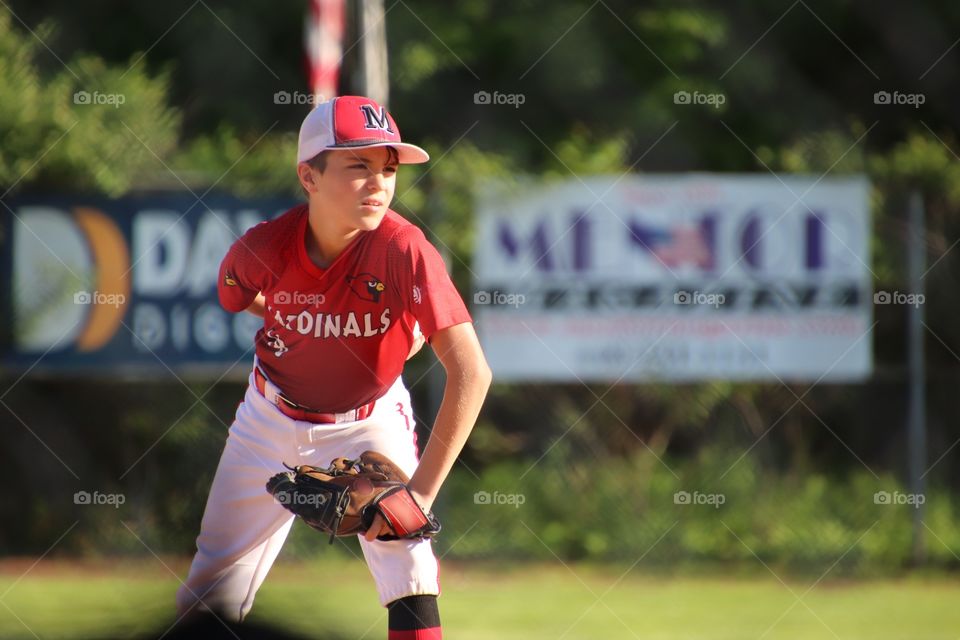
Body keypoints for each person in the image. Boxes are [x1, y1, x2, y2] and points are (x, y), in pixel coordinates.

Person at [176, 95, 492, 640]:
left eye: (388, 169)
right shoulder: (265, 248)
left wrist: (419, 495)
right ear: (309, 176)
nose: (379, 184)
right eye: (358, 166)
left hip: (369, 421)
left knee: (411, 569)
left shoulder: (403, 248)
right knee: (209, 595)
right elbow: (236, 296)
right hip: (267, 422)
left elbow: (472, 372)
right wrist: (303, 317)